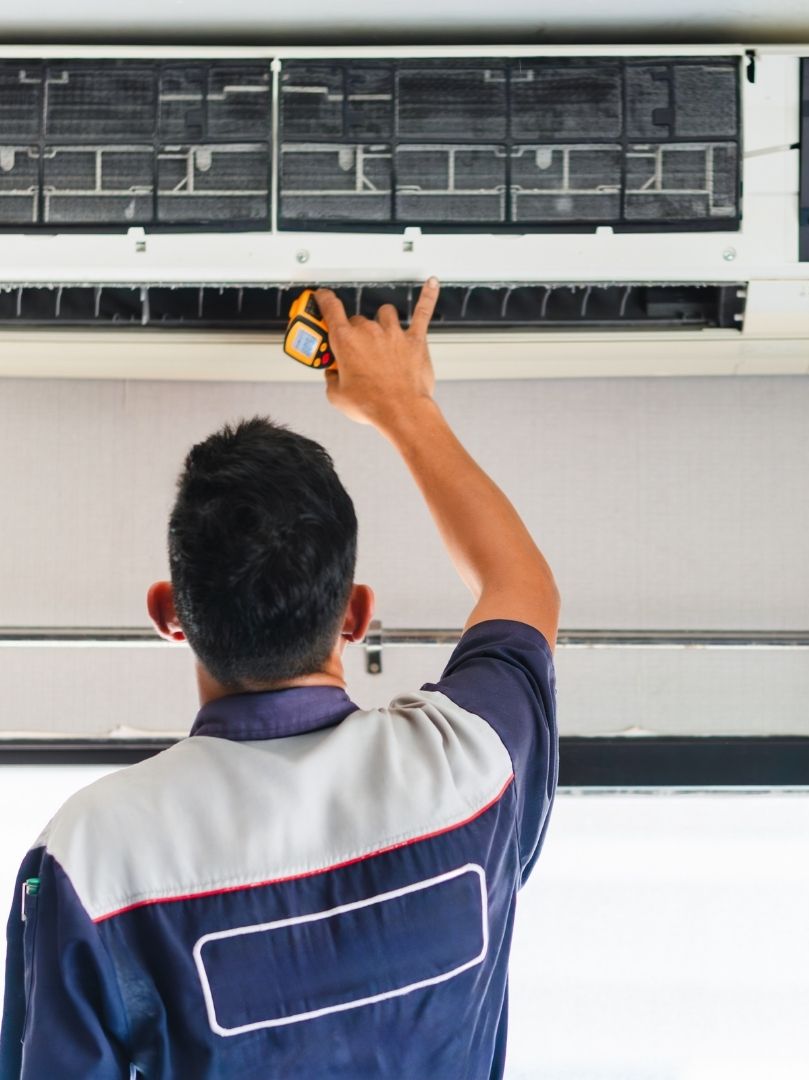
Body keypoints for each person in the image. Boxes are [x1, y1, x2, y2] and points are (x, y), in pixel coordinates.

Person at [0, 278, 560, 1079]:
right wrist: (405, 405)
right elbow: (522, 587)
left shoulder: (95, 855)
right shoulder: (467, 765)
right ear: (356, 613)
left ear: (170, 613)